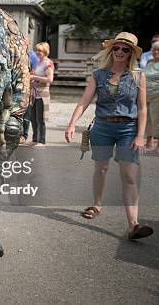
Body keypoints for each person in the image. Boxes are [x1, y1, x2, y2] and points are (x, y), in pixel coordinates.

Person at [65, 32, 153, 240]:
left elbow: (142, 109)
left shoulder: (139, 76)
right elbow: (84, 101)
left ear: (131, 53)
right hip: (102, 128)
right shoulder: (98, 75)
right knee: (101, 169)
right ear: (111, 50)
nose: (120, 52)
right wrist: (71, 124)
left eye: (125, 49)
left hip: (128, 130)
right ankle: (96, 205)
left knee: (129, 175)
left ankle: (133, 225)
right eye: (116, 48)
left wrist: (140, 135)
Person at [29, 42, 54, 146]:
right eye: (37, 50)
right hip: (34, 93)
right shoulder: (38, 62)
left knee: (40, 119)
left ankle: (41, 141)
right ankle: (35, 139)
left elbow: (49, 79)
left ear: (45, 52)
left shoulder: (48, 63)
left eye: (40, 51)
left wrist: (34, 77)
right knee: (33, 118)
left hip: (42, 94)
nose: (37, 52)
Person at [20, 43, 39, 143]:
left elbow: (36, 71)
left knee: (27, 113)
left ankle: (24, 135)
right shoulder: (20, 53)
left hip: (28, 87)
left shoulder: (32, 56)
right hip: (18, 87)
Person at [143, 41, 159, 152]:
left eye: (158, 50)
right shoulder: (149, 62)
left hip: (157, 95)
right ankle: (148, 142)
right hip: (145, 95)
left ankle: (158, 145)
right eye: (154, 50)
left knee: (157, 120)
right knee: (146, 119)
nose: (156, 52)